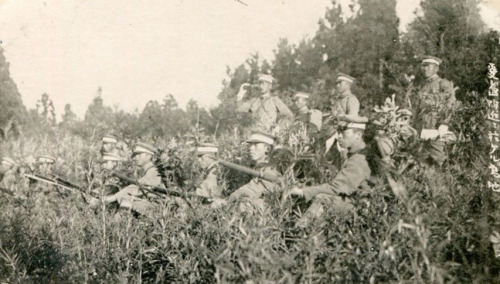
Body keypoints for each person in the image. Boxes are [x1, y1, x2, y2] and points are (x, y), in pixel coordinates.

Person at [289, 116, 371, 223]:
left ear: (358, 135)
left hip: (361, 208)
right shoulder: (355, 154)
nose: (339, 136)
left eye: (344, 133)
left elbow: (337, 187)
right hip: (354, 203)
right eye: (338, 132)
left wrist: (303, 191)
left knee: (323, 199)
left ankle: (300, 233)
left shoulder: (358, 160)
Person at [212, 131, 280, 213]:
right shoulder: (258, 166)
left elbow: (252, 189)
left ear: (267, 149)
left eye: (255, 145)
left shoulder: (271, 169)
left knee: (244, 203)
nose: (251, 148)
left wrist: (227, 201)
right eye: (250, 145)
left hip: (272, 210)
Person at [412, 55, 456, 166]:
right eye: (423, 66)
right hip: (422, 127)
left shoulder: (443, 84)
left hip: (436, 126)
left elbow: (450, 104)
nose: (424, 69)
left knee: (437, 158)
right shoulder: (423, 85)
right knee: (422, 160)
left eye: (428, 66)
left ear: (436, 68)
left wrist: (444, 123)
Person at [100, 142, 162, 215]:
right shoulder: (148, 171)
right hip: (151, 203)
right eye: (135, 155)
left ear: (148, 156)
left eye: (139, 154)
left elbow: (138, 187)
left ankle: (118, 224)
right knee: (123, 200)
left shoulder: (155, 171)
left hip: (159, 207)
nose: (136, 157)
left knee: (126, 200)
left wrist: (114, 197)